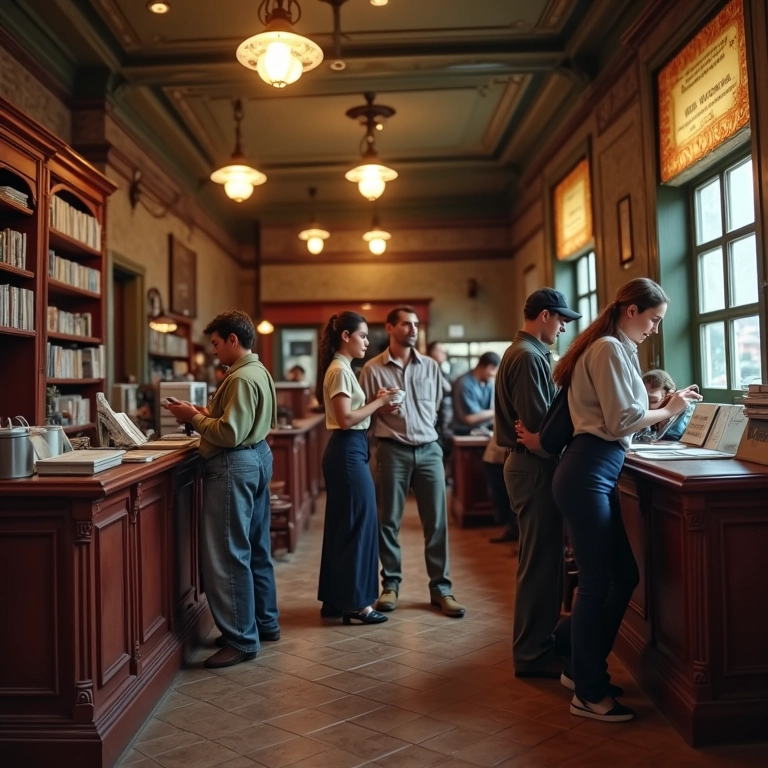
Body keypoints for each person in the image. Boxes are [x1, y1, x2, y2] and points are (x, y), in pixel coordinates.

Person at [530, 278, 701, 723]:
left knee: (621, 575)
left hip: (596, 467)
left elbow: (620, 423)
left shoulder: (617, 348)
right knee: (598, 582)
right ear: (631, 310)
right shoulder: (607, 348)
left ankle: (578, 666)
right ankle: (587, 689)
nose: (656, 329)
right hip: (588, 469)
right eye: (653, 319)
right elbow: (622, 417)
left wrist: (664, 411)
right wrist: (672, 407)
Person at [164, 310, 280, 669]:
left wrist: (193, 419)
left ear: (233, 339)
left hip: (233, 464)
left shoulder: (240, 378)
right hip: (257, 456)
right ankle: (263, 623)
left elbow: (229, 434)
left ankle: (242, 639)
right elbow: (241, 421)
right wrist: (202, 411)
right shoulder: (258, 370)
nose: (213, 351)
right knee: (256, 547)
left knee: (227, 555)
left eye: (216, 343)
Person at [495, 288, 581, 679]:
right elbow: (538, 424)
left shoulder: (531, 354)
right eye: (561, 320)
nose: (563, 327)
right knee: (540, 566)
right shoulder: (529, 357)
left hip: (531, 465)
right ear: (544, 315)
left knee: (543, 564)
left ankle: (536, 648)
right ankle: (531, 655)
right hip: (533, 466)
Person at [360, 306, 465, 618]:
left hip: (429, 449)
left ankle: (441, 589)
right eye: (405, 324)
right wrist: (379, 406)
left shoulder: (432, 366)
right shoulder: (371, 369)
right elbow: (362, 415)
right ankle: (390, 585)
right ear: (390, 328)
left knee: (436, 523)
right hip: (392, 450)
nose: (413, 329)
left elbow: (436, 407)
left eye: (416, 324)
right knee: (388, 521)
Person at [315, 311, 399, 625]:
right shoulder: (339, 370)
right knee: (360, 527)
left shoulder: (343, 368)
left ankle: (336, 599)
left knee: (343, 526)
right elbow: (347, 418)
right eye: (363, 335)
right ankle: (357, 604)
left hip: (349, 449)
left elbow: (350, 413)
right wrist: (379, 403)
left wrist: (375, 400)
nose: (367, 341)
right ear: (346, 336)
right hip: (347, 451)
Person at [634, 369, 695, 442]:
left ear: (669, 395)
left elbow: (674, 436)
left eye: (653, 401)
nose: (647, 406)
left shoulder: (685, 414)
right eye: (644, 400)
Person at [451, 352, 500, 436]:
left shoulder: (487, 383)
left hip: (482, 430)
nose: (494, 374)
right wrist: (498, 411)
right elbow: (470, 419)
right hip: (464, 433)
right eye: (494, 370)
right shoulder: (464, 383)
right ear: (490, 367)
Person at [483, 432, 519, 543]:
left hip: (509, 454)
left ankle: (516, 531)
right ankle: (512, 530)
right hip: (496, 454)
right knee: (500, 497)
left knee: (514, 498)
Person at [427, 340, 454, 472]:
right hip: (432, 419)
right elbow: (447, 388)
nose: (443, 353)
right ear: (431, 352)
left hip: (445, 421)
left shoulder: (443, 370)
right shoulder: (427, 369)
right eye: (440, 350)